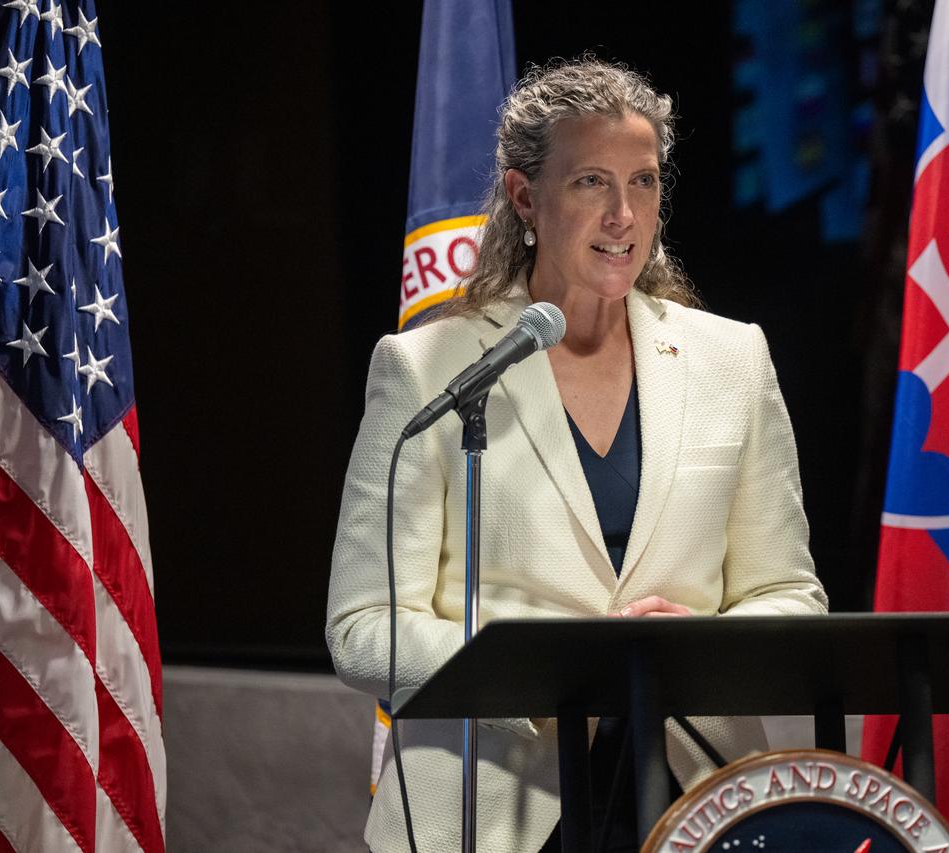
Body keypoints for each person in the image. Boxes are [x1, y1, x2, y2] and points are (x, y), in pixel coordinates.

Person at [325, 58, 828, 853]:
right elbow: (362, 626)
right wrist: (542, 671)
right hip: (493, 808)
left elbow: (790, 595)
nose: (625, 214)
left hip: (694, 799)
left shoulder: (733, 360)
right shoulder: (427, 368)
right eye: (592, 182)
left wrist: (701, 646)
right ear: (525, 197)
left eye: (645, 181)